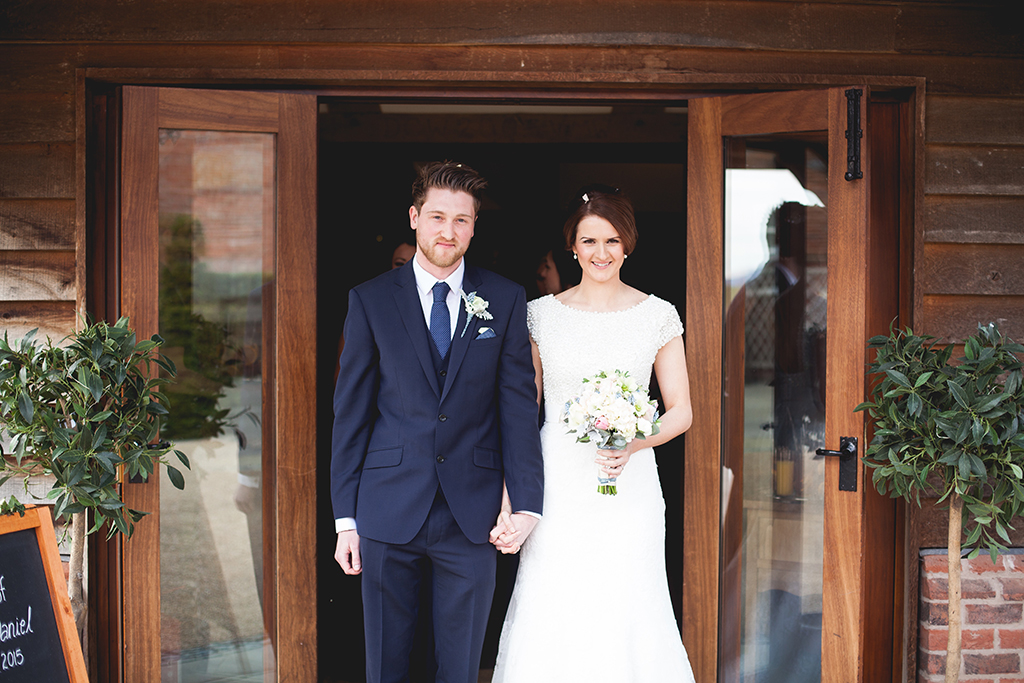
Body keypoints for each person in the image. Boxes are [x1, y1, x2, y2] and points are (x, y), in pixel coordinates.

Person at [331, 161, 544, 683]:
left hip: (472, 514)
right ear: (414, 218)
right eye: (437, 217)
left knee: (460, 664)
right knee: (387, 664)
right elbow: (351, 415)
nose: (448, 232)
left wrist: (528, 503)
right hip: (386, 508)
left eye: (462, 220)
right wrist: (345, 520)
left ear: (474, 226)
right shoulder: (371, 300)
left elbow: (518, 408)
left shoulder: (505, 298)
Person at [490, 185, 696, 682]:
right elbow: (524, 412)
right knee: (556, 598)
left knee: (630, 600)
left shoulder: (657, 315)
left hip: (631, 488)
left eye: (611, 240)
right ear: (572, 246)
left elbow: (681, 411)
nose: (600, 253)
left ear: (627, 244)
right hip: (557, 484)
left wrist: (635, 441)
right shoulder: (540, 314)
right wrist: (508, 498)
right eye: (588, 241)